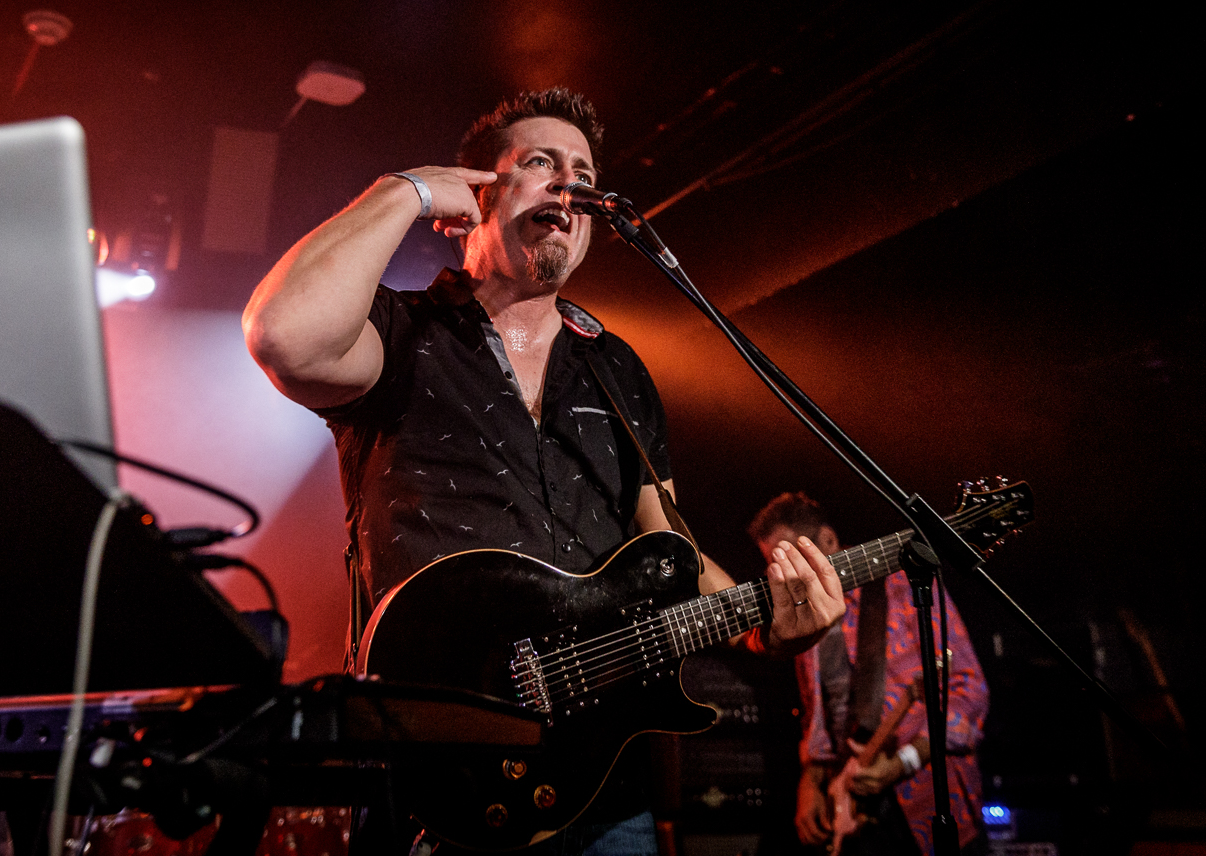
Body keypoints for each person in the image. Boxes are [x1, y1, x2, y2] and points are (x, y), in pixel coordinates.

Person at [244, 89, 847, 853]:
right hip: (438, 773)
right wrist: (405, 190)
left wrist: (769, 630)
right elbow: (283, 336)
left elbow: (669, 552)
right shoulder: (402, 334)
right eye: (540, 164)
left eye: (583, 171)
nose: (570, 186)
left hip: (601, 785)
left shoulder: (617, 368)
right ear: (476, 194)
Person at [748, 493, 990, 856]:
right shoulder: (802, 617)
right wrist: (811, 784)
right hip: (855, 813)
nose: (782, 577)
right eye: (774, 565)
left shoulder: (904, 585)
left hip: (930, 797)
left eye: (791, 560)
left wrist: (904, 761)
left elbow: (969, 689)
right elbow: (818, 715)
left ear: (827, 541)